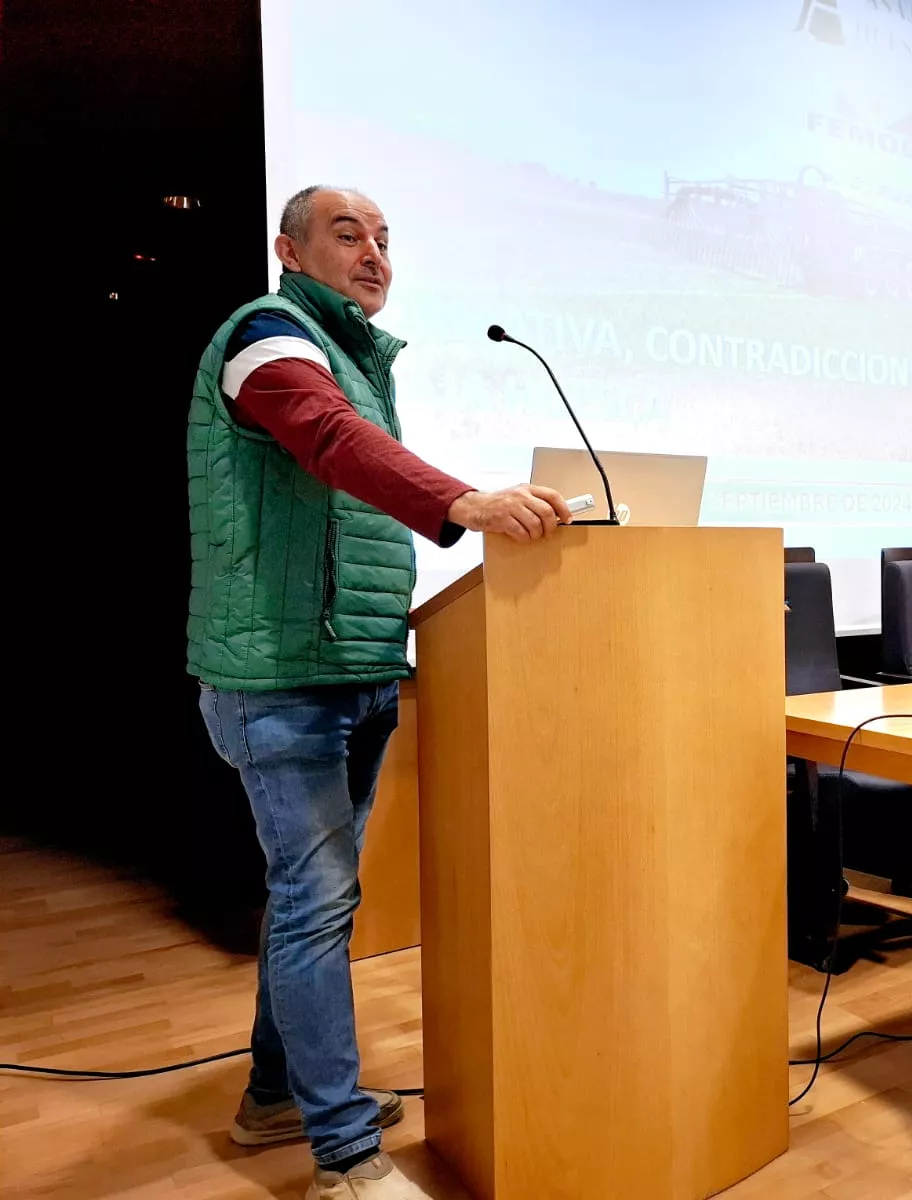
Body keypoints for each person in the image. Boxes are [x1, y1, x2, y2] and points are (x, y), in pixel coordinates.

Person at [189, 186, 571, 1200]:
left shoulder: (353, 353)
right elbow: (325, 438)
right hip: (278, 678)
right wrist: (459, 501)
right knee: (316, 904)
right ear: (290, 249)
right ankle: (347, 1157)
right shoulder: (268, 339)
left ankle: (276, 1093)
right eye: (347, 235)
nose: (373, 254)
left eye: (385, 239)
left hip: (354, 668)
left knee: (307, 903)